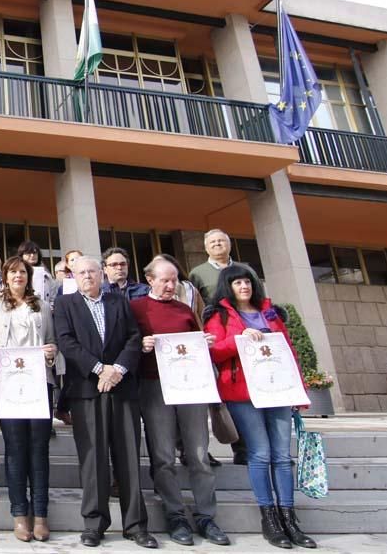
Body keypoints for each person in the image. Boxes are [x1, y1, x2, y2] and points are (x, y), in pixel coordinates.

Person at [205, 265, 316, 550]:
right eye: (238, 282)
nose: (244, 287)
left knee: (281, 455)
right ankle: (269, 519)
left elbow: (289, 351)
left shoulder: (271, 312)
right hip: (243, 394)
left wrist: (299, 392)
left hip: (278, 392)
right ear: (227, 286)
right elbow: (213, 351)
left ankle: (289, 518)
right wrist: (238, 340)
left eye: (247, 281)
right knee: (260, 453)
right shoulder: (219, 314)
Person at [54, 256, 157, 549]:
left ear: (102, 274)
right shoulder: (65, 305)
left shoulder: (118, 302)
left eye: (92, 271)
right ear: (73, 276)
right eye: (81, 272)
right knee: (93, 459)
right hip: (86, 389)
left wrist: (118, 370)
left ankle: (136, 525)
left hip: (122, 389)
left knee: (128, 457)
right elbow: (66, 342)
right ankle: (94, 523)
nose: (87, 276)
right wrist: (100, 369)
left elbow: (134, 338)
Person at [131, 258, 228, 546]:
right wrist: (141, 344)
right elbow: (124, 343)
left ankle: (206, 515)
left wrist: (204, 342)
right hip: (154, 386)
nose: (171, 285)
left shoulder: (185, 310)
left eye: (174, 280)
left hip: (190, 388)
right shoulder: (135, 309)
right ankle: (175, 514)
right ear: (150, 279)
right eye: (164, 280)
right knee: (162, 456)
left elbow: (196, 345)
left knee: (198, 453)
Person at [0, 256, 56, 542]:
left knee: (39, 449)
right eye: (12, 272)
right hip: (8, 384)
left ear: (29, 277)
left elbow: (53, 342)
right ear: (5, 277)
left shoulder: (44, 307)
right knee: (15, 449)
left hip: (38, 384)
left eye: (22, 272)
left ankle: (40, 515)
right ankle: (19, 515)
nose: (18, 276)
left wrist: (51, 351)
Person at [188, 229, 256, 465]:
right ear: (206, 247)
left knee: (250, 390)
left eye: (221, 241)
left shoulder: (244, 269)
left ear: (229, 244)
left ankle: (249, 447)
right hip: (216, 332)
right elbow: (194, 303)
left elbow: (258, 296)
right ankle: (234, 443)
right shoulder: (198, 273)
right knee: (225, 389)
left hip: (249, 332)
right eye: (213, 242)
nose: (217, 245)